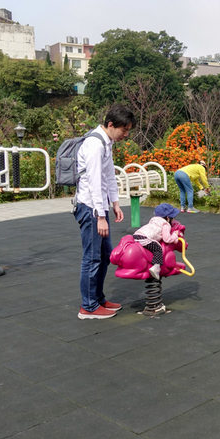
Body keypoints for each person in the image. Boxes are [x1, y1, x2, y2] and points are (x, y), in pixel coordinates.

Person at [74, 104, 136, 320]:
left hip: (98, 208)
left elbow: (109, 176)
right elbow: (93, 181)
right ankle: (88, 307)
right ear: (111, 125)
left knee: (104, 256)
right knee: (92, 258)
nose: (125, 135)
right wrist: (101, 216)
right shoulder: (94, 144)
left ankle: (98, 299)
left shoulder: (105, 143)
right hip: (90, 208)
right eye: (124, 130)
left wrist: (116, 203)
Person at [133, 203, 181, 279]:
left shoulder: (154, 220)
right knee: (158, 249)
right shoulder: (165, 224)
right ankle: (156, 267)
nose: (174, 219)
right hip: (145, 238)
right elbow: (167, 239)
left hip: (136, 235)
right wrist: (175, 236)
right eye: (173, 217)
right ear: (168, 218)